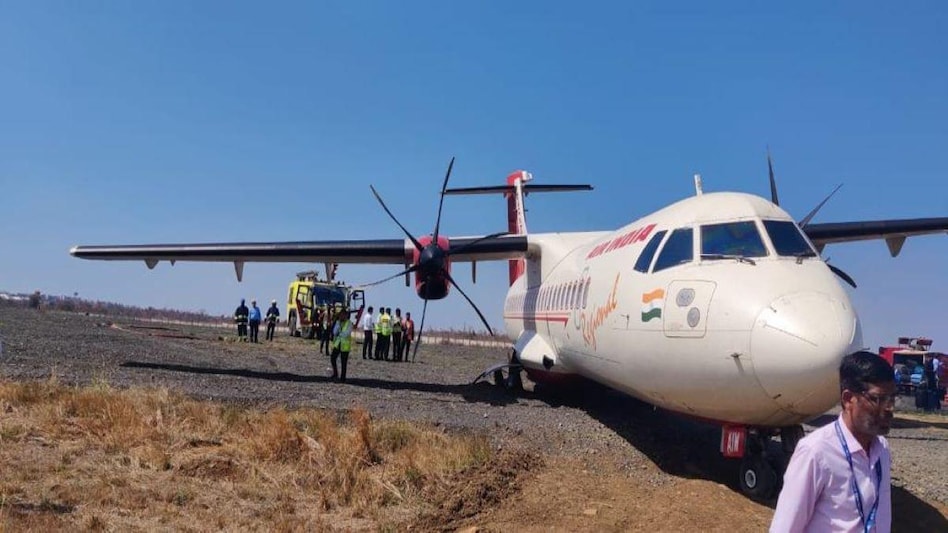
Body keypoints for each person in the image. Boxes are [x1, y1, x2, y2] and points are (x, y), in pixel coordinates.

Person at [771, 351, 895, 533]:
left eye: (892, 398)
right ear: (848, 399)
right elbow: (785, 528)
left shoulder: (881, 449)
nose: (889, 408)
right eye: (878, 399)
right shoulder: (816, 452)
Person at [330, 307, 353, 382]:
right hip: (338, 344)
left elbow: (347, 333)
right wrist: (338, 325)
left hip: (345, 345)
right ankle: (335, 373)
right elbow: (334, 332)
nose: (341, 317)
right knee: (333, 358)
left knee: (344, 363)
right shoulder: (338, 322)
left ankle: (343, 378)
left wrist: (339, 333)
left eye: (343, 315)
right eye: (340, 315)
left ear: (346, 316)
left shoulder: (349, 323)